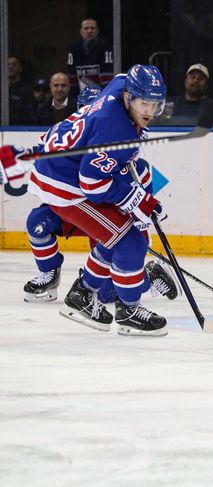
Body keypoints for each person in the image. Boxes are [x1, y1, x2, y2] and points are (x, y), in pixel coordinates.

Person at [26, 65, 174, 336]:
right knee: (130, 240)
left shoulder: (121, 87)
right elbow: (93, 184)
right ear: (129, 98)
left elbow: (120, 77)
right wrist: (133, 198)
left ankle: (82, 294)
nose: (149, 112)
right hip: (63, 182)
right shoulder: (116, 131)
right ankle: (129, 311)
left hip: (61, 166)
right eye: (144, 103)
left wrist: (136, 197)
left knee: (116, 235)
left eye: (155, 104)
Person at [66, 18, 114, 94]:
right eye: (86, 28)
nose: (89, 31)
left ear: (98, 31)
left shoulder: (105, 46)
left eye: (92, 28)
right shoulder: (73, 47)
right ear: (81, 31)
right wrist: (74, 94)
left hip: (100, 93)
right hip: (78, 94)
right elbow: (71, 73)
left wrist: (103, 93)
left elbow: (107, 72)